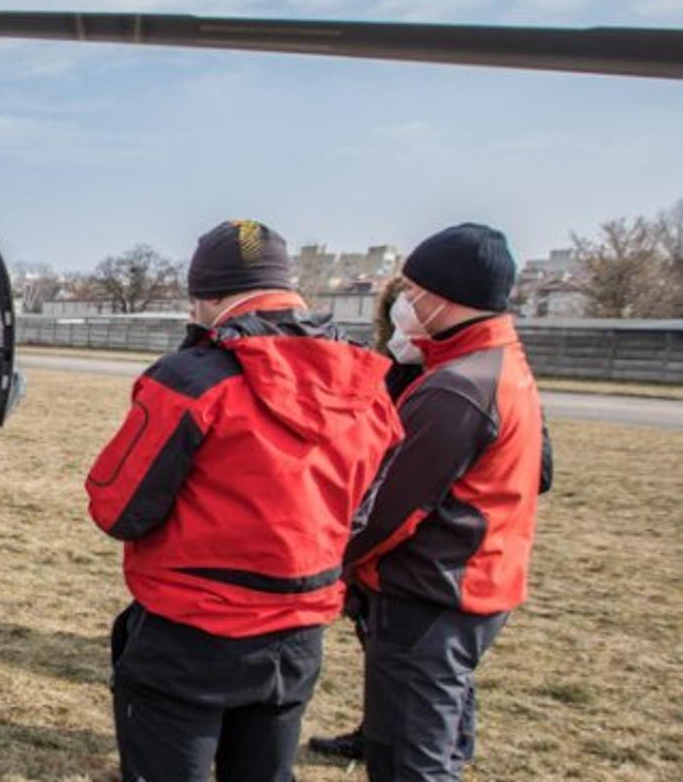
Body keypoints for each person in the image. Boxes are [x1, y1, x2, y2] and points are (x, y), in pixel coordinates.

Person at [85, 220, 402, 781]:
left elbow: (119, 507)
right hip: (297, 630)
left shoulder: (193, 379)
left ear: (206, 296)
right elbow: (364, 506)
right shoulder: (366, 384)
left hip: (192, 628)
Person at [344, 223, 552, 781]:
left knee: (408, 757)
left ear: (445, 294)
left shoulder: (458, 387)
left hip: (430, 591)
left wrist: (330, 563)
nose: (407, 303)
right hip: (466, 582)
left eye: (414, 291)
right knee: (433, 738)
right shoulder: (495, 363)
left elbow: (388, 509)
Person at [309, 275, 426, 760]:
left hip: (416, 546)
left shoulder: (455, 384)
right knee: (385, 655)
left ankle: (422, 748)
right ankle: (379, 732)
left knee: (426, 676)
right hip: (374, 542)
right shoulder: (389, 370)